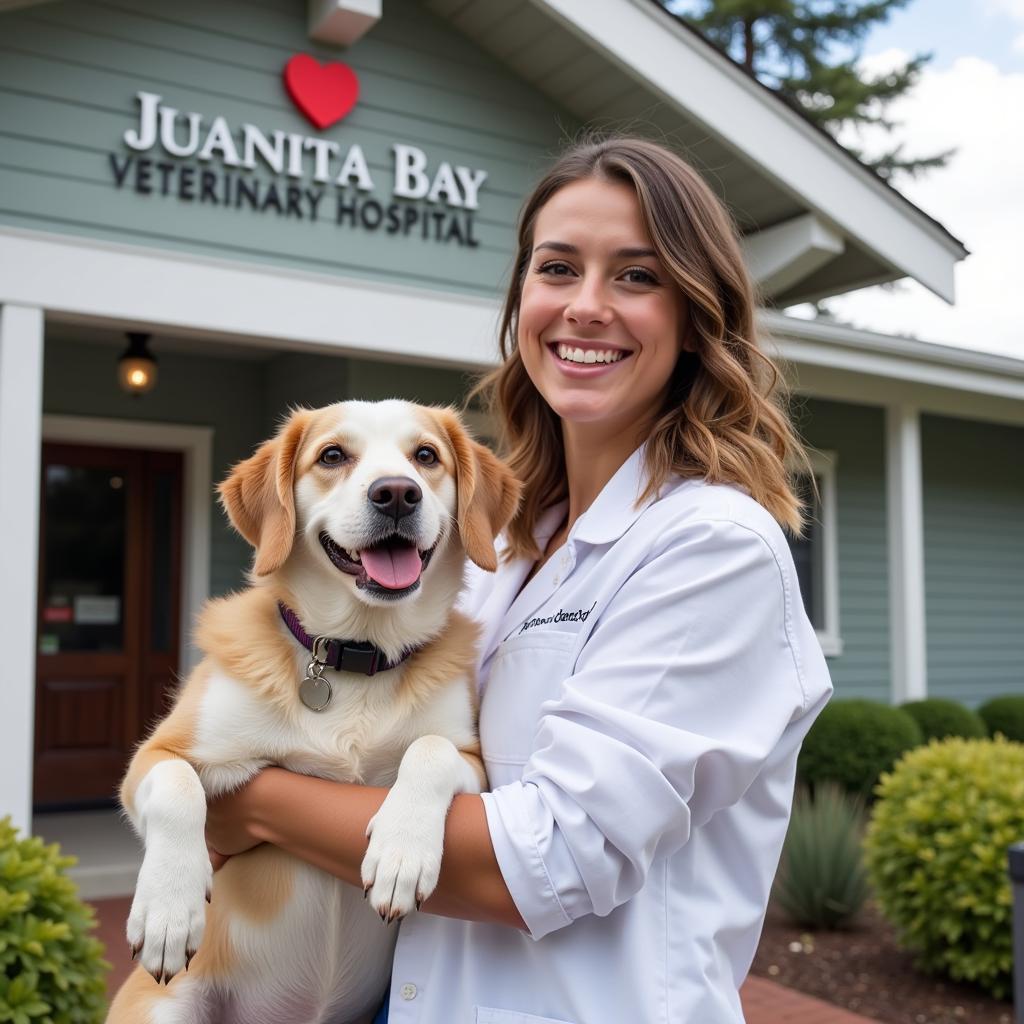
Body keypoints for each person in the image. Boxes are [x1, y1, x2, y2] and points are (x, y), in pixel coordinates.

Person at [205, 135, 833, 1023]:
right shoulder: (500, 552)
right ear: (521, 303)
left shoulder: (712, 547)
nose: (585, 306)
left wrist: (252, 799)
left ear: (697, 317)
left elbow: (545, 861)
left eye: (637, 276)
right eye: (557, 268)